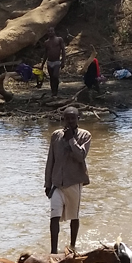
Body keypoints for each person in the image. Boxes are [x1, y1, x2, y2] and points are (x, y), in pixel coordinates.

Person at [44, 107, 91, 254]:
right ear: (63, 119)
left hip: (74, 182)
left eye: (73, 118)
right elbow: (50, 160)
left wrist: (71, 139)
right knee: (54, 217)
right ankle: (53, 251)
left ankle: (72, 245)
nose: (70, 121)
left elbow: (81, 156)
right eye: (67, 118)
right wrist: (47, 183)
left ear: (78, 119)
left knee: (74, 216)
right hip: (57, 183)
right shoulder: (56, 136)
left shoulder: (85, 135)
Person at [43, 28, 66, 97]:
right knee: (51, 78)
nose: (50, 32)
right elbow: (46, 54)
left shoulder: (59, 39)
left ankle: (56, 89)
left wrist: (63, 61)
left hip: (57, 61)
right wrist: (42, 64)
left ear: (54, 32)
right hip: (49, 62)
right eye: (49, 31)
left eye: (51, 31)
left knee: (55, 76)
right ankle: (53, 92)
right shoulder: (46, 42)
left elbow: (63, 50)